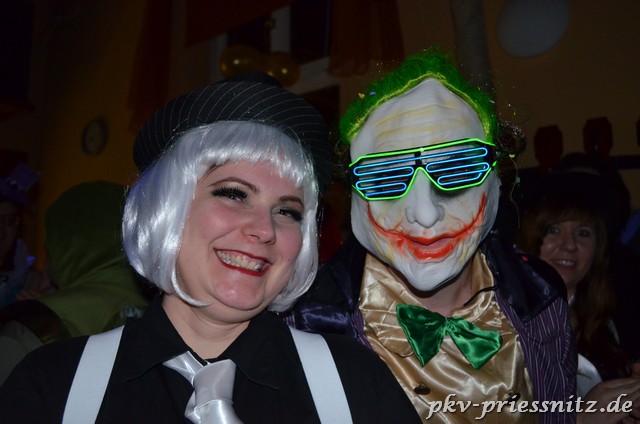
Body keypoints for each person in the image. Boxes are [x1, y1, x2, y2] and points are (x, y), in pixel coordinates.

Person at [0, 73, 421, 424]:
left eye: (287, 211)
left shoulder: (354, 384)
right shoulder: (53, 386)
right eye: (234, 194)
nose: (265, 230)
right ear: (167, 209)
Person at [287, 49, 577, 423]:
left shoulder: (540, 294)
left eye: (457, 171)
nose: (425, 213)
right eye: (386, 177)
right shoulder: (306, 322)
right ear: (354, 195)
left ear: (496, 178)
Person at [516, 173, 640, 424]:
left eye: (583, 233)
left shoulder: (614, 320)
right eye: (553, 230)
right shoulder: (499, 320)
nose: (569, 245)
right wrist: (580, 418)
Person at [0, 181, 150, 384]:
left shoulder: (35, 316)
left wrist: (41, 313)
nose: (2, 230)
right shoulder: (167, 308)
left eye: (10, 220)